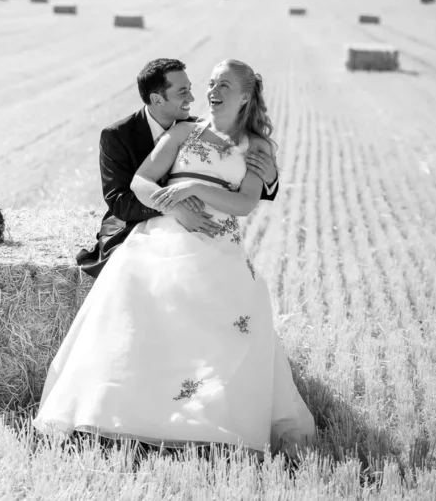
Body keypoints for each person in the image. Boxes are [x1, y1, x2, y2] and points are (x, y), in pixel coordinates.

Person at [34, 59, 315, 456]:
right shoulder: (182, 131)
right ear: (156, 98)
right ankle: (119, 411)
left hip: (219, 240)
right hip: (162, 230)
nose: (210, 91)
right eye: (211, 82)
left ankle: (207, 419)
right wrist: (174, 205)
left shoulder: (258, 146)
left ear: (245, 97)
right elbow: (138, 183)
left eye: (223, 84)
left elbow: (246, 202)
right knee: (136, 282)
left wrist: (192, 188)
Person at [75, 58, 279, 279]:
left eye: (190, 89)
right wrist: (177, 209)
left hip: (216, 231)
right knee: (129, 271)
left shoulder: (196, 127)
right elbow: (120, 200)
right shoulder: (118, 136)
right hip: (135, 221)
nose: (192, 98)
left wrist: (270, 177)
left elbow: (245, 194)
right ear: (157, 99)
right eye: (183, 92)